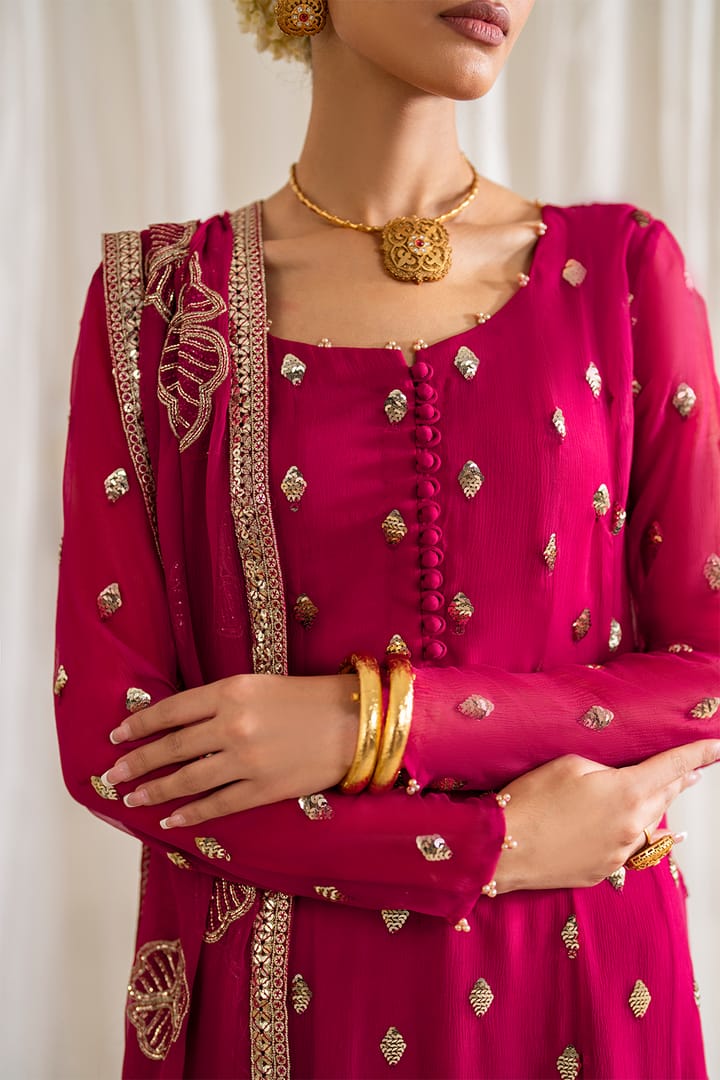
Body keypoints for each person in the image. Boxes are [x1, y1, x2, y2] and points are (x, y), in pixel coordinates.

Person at [53, 1, 720, 1077]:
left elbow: (709, 668)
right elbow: (112, 750)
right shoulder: (163, 306)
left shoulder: (623, 273)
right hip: (283, 1010)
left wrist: (376, 721)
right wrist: (490, 848)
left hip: (581, 983)